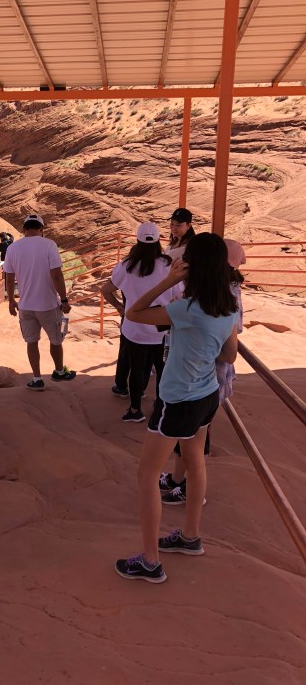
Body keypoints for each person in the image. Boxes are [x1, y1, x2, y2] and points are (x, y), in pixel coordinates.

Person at [115, 233, 239, 583]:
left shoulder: (187, 309)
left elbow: (133, 312)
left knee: (147, 475)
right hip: (206, 394)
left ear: (193, 266)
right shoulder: (228, 307)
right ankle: (190, 537)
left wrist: (169, 281)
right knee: (195, 462)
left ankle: (150, 561)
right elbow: (229, 355)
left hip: (178, 399)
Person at [160, 238, 246, 504]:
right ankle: (178, 478)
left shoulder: (223, 294)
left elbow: (228, 334)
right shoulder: (216, 290)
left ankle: (190, 487)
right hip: (203, 372)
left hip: (205, 373)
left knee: (196, 433)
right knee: (190, 433)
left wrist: (201, 343)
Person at [101, 222, 175, 422]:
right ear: (158, 240)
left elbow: (105, 290)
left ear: (137, 240)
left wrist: (120, 308)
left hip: (134, 327)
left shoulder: (126, 265)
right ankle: (160, 408)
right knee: (162, 369)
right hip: (162, 328)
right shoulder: (168, 265)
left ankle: (135, 410)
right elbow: (179, 294)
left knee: (136, 369)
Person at [4, 213, 76, 390]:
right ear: (42, 229)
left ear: (24, 229)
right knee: (56, 340)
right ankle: (59, 372)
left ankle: (37, 379)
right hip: (48, 305)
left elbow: (9, 278)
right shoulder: (49, 245)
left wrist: (11, 300)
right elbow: (57, 275)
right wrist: (64, 300)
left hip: (25, 306)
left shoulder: (13, 248)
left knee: (31, 342)